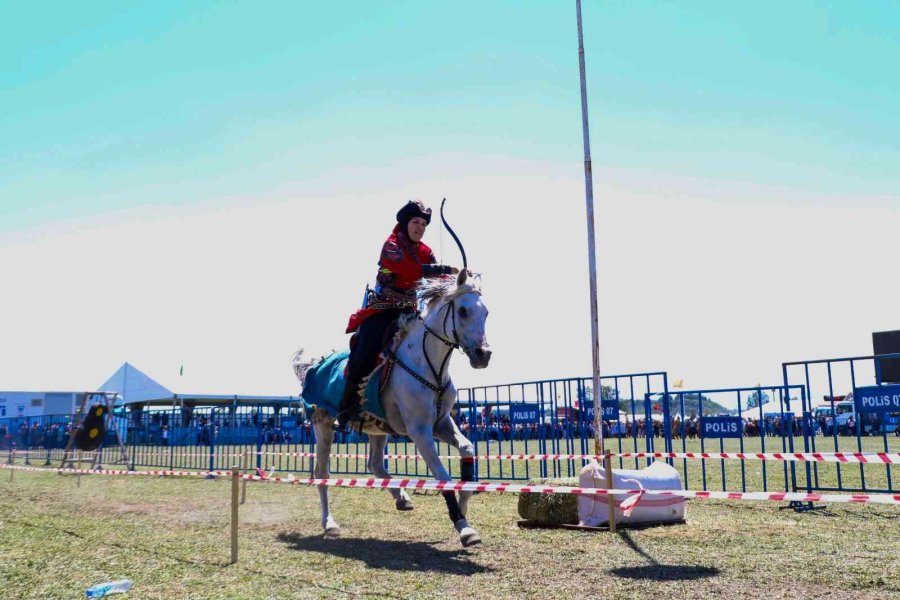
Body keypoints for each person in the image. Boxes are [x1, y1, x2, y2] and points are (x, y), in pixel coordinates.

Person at [334, 200, 458, 431]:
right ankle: (346, 409)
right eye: (415, 222)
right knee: (366, 349)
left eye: (423, 224)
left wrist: (458, 281)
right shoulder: (391, 245)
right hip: (382, 310)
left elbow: (437, 279)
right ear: (405, 223)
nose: (420, 227)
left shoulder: (425, 251)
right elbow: (409, 269)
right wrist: (444, 268)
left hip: (409, 312)